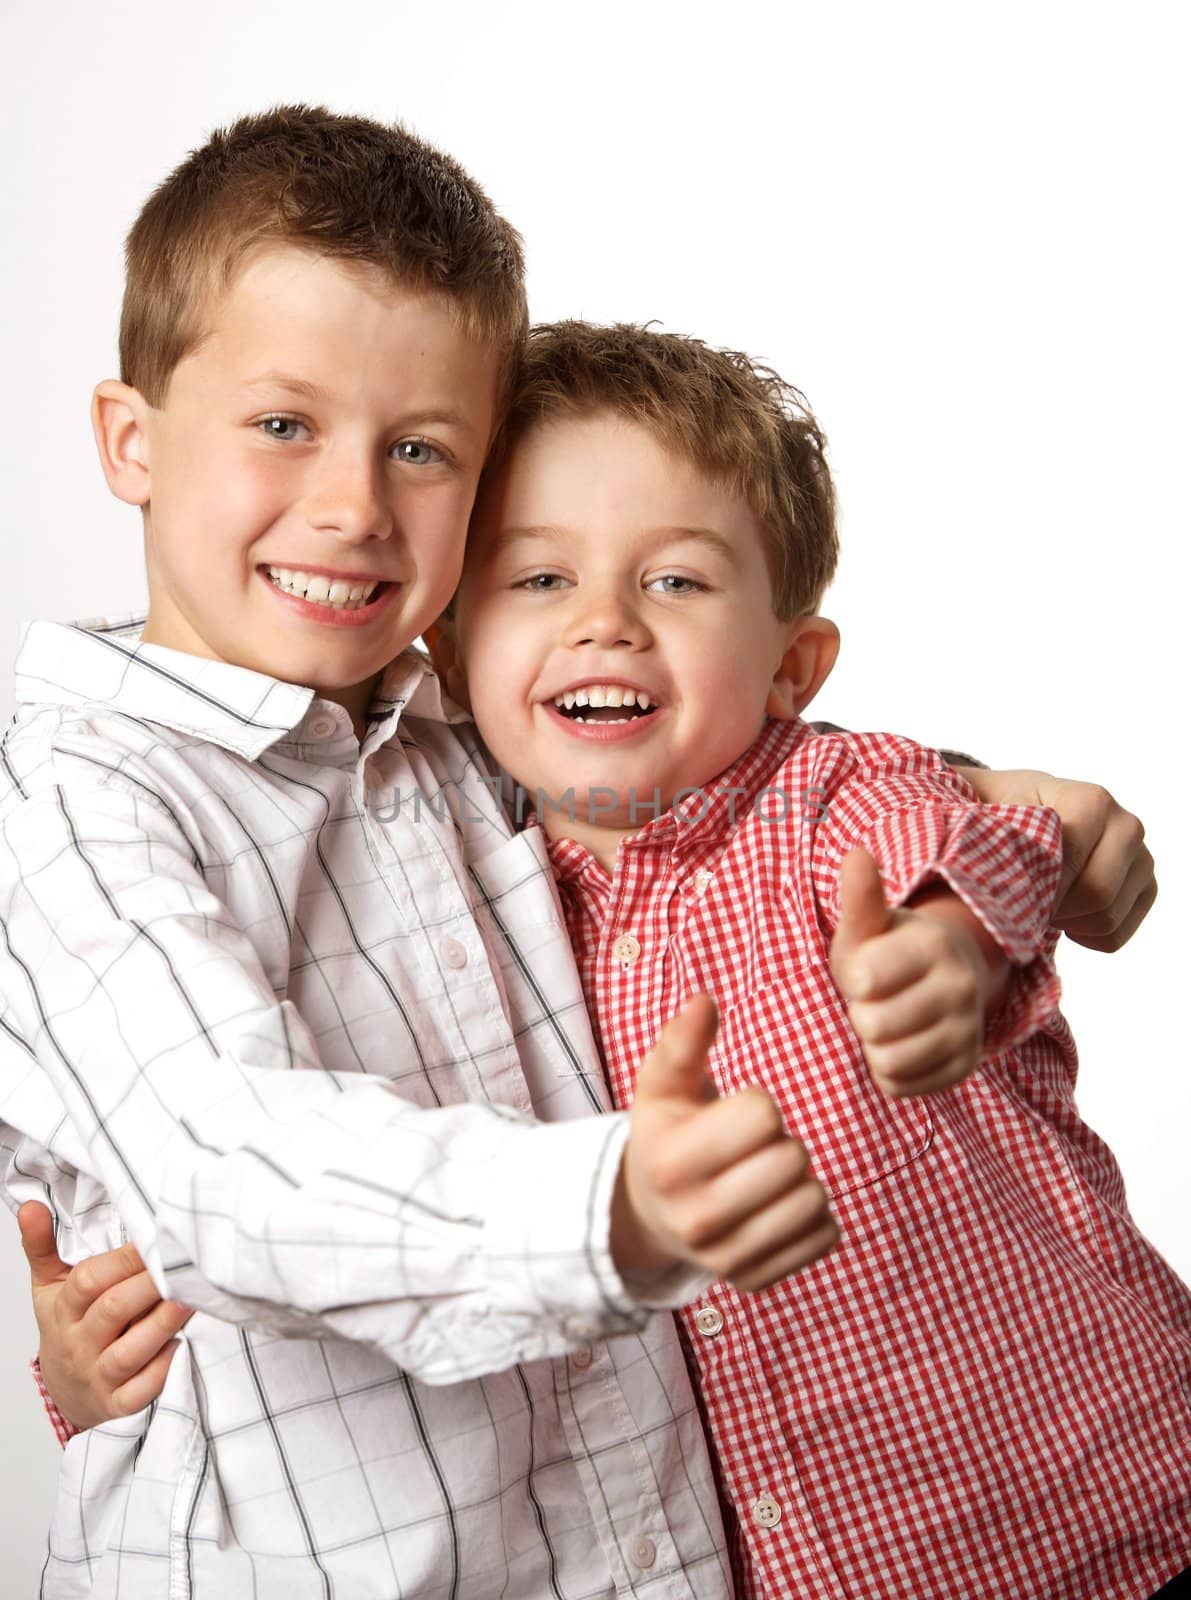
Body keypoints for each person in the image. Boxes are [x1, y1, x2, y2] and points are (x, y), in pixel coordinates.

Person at [23, 318, 1182, 1600]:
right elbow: (256, 1178)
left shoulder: (828, 797)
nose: (606, 626)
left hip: (1109, 1506)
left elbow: (957, 835)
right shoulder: (477, 885)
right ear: (454, 661)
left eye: (675, 582)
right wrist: (88, 1383)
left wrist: (955, 942)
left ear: (793, 665)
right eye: (536, 581)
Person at [1, 106, 840, 1599]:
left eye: (420, 449)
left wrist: (1007, 808)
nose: (351, 505)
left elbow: (736, 790)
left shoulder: (459, 716)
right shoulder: (67, 798)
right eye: (282, 424)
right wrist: (610, 1211)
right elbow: (224, 1164)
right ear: (133, 441)